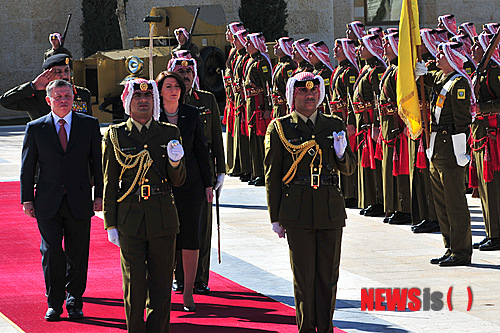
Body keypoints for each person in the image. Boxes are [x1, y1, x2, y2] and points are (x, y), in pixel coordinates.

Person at [264, 71, 356, 333]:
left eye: (314, 92)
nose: (309, 96)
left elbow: (349, 168)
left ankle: (325, 328)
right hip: (297, 209)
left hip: (329, 209)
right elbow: (273, 174)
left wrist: (341, 153)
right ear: (293, 96)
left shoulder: (333, 124)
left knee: (328, 278)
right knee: (304, 279)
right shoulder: (280, 127)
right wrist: (275, 216)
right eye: (303, 92)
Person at [102, 78, 186, 332]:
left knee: (161, 286)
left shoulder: (169, 132)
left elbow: (179, 180)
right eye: (137, 98)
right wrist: (110, 223)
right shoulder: (116, 135)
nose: (143, 101)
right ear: (128, 103)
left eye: (148, 98)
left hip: (163, 217)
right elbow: (109, 182)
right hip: (130, 218)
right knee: (135, 286)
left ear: (155, 102)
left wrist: (174, 163)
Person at [20, 79, 103, 321]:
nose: (63, 100)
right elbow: (27, 168)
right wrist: (27, 199)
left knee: (78, 253)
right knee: (52, 253)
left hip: (79, 199)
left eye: (67, 96)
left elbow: (96, 164)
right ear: (48, 101)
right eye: (58, 97)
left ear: (73, 98)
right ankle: (54, 303)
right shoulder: (36, 128)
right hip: (47, 201)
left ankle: (75, 301)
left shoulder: (88, 125)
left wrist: (99, 195)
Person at [156, 71, 213, 311]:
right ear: (159, 91)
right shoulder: (153, 115)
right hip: (161, 185)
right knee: (164, 238)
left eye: (177, 86)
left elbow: (201, 148)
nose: (174, 90)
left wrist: (209, 183)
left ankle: (188, 290)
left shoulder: (191, 114)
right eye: (168, 86)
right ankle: (164, 288)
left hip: (191, 185)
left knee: (190, 236)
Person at [169, 57, 225, 293]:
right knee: (175, 225)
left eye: (189, 71)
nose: (186, 75)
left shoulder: (207, 99)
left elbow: (215, 137)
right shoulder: (166, 101)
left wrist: (220, 170)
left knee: (201, 227)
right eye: (180, 71)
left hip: (201, 172)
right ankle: (178, 276)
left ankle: (200, 277)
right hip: (172, 171)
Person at [416, 42, 474, 266]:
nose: (437, 57)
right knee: (441, 203)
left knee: (455, 203)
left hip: (451, 148)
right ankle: (449, 247)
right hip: (436, 147)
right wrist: (420, 69)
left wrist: (461, 151)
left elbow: (462, 121)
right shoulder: (442, 78)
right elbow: (427, 79)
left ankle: (461, 252)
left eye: (442, 54)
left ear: (452, 58)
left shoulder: (459, 83)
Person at [469, 33, 500, 251]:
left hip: (492, 136)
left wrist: (482, 108)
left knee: (493, 187)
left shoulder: (494, 73)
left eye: (476, 46)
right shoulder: (479, 73)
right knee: (484, 186)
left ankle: (497, 234)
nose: (472, 49)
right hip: (479, 135)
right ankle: (491, 231)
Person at [378, 32, 412, 224]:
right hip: (387, 125)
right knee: (392, 168)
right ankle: (393, 207)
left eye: (387, 44)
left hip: (396, 125)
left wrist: (403, 124)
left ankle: (404, 207)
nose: (384, 48)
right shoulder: (391, 68)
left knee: (401, 168)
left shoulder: (400, 69)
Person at [352, 34, 387, 217]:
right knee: (366, 162)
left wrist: (375, 125)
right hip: (362, 120)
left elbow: (377, 99)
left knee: (375, 162)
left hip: (370, 120)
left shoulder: (377, 70)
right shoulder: (366, 68)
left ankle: (379, 200)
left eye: (363, 47)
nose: (359, 50)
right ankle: (370, 199)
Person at [410, 28, 440, 233]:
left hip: (432, 123)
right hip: (421, 123)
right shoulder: (420, 65)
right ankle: (424, 214)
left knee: (430, 173)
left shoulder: (432, 67)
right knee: (420, 172)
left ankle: (434, 215)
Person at [0, 54, 92, 119]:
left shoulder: (82, 94)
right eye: (58, 72)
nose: (64, 76)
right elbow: (5, 101)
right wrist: (33, 86)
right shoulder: (37, 96)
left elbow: (89, 124)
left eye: (67, 71)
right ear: (47, 74)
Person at [330, 38, 359, 208]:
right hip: (337, 118)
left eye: (338, 48)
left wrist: (350, 122)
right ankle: (345, 191)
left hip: (345, 119)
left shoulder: (349, 72)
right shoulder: (339, 70)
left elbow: (350, 100)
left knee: (347, 154)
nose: (335, 50)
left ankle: (351, 193)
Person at [243, 32, 273, 186]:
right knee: (253, 138)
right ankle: (256, 171)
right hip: (250, 102)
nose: (246, 45)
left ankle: (262, 172)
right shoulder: (251, 61)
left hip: (259, 103)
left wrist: (268, 107)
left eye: (249, 43)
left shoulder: (261, 62)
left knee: (259, 138)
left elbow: (267, 85)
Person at [223, 22, 245, 175]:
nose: (226, 34)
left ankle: (239, 166)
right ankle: (231, 164)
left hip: (239, 97)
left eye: (229, 31)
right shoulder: (232, 51)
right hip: (231, 95)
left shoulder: (241, 54)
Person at [231, 29, 253, 182]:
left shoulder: (247, 58)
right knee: (240, 135)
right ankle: (241, 167)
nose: (234, 42)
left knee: (249, 138)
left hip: (249, 101)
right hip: (239, 98)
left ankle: (249, 169)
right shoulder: (238, 56)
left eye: (236, 39)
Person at [271, 37, 297, 118]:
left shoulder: (288, 66)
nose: (275, 47)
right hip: (277, 107)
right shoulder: (279, 65)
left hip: (283, 108)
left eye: (278, 45)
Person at [308, 41, 334, 113]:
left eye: (310, 54)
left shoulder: (324, 73)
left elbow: (326, 95)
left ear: (318, 55)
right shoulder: (315, 71)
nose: (307, 56)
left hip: (323, 110)